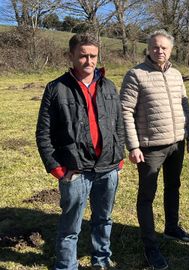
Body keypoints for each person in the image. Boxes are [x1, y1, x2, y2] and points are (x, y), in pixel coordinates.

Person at [36, 33, 125, 270]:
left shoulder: (108, 85)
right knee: (70, 225)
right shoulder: (56, 88)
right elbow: (43, 133)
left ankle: (101, 260)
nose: (89, 61)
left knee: (103, 219)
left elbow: (118, 124)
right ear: (71, 56)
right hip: (74, 170)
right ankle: (66, 265)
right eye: (83, 55)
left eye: (93, 56)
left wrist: (120, 157)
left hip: (108, 167)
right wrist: (56, 168)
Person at [120, 29, 189, 270]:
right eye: (155, 47)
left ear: (171, 50)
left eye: (164, 47)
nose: (159, 51)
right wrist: (133, 145)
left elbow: (185, 108)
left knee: (173, 187)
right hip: (150, 148)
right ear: (148, 49)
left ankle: (172, 228)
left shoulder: (176, 75)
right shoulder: (136, 75)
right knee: (147, 196)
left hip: (177, 143)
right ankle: (150, 246)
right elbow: (125, 112)